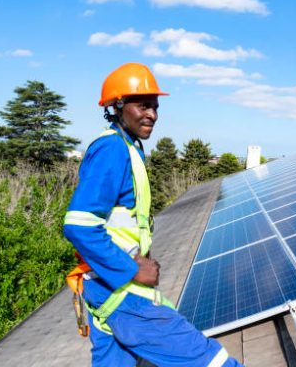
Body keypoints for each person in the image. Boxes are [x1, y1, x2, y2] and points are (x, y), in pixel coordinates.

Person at [64, 63, 242, 367]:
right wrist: (131, 269)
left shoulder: (129, 147)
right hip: (122, 292)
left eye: (156, 107)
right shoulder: (112, 150)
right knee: (212, 361)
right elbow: (79, 225)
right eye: (143, 105)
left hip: (104, 288)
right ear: (118, 105)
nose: (153, 115)